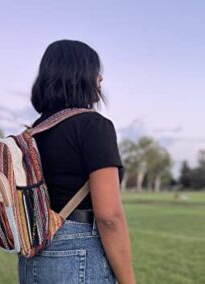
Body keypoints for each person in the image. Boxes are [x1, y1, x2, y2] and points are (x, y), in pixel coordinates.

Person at [18, 39, 136, 284]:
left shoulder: (32, 134)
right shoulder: (93, 126)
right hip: (79, 254)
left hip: (33, 255)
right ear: (80, 74)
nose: (101, 78)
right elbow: (109, 216)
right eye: (95, 70)